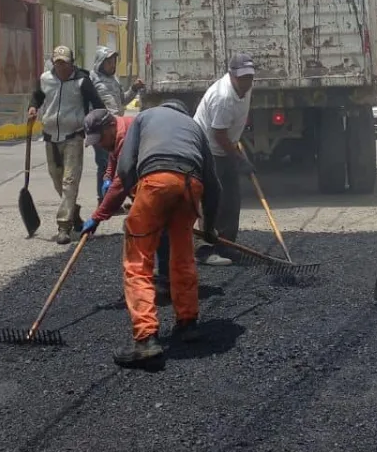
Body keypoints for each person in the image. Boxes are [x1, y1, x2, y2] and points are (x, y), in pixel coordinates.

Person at [84, 101, 220, 369]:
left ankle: (146, 338)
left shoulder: (143, 118)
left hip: (156, 182)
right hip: (191, 185)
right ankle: (188, 323)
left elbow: (125, 169)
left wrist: (111, 209)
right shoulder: (194, 126)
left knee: (138, 261)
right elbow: (214, 184)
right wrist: (209, 229)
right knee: (183, 257)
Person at [87, 107, 173, 302]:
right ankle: (161, 274)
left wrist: (97, 216)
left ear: (109, 126)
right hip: (149, 177)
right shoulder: (116, 130)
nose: (99, 144)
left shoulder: (125, 134)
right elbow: (113, 157)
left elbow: (122, 181)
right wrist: (108, 176)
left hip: (161, 175)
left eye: (100, 138)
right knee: (155, 225)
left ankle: (164, 279)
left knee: (155, 226)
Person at [28, 46, 100, 245]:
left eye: (64, 63)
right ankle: (73, 212)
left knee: (70, 181)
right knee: (56, 178)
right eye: (57, 62)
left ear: (71, 63)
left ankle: (63, 226)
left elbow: (97, 103)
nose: (60, 66)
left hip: (73, 136)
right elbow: (37, 97)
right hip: (51, 136)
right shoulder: (45, 79)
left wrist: (95, 128)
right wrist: (33, 108)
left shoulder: (82, 81)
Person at [193, 52, 256, 262]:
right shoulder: (223, 98)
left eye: (250, 77)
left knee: (231, 197)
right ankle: (206, 249)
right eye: (242, 77)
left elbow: (233, 123)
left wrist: (236, 144)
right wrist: (238, 157)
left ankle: (226, 244)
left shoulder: (245, 88)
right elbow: (218, 135)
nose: (247, 82)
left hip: (224, 144)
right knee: (211, 199)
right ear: (231, 75)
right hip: (207, 148)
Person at [89, 47, 144, 195]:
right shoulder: (92, 79)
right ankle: (103, 198)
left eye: (114, 62)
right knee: (104, 164)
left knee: (118, 164)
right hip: (101, 130)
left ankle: (114, 197)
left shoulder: (114, 80)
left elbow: (123, 100)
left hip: (116, 129)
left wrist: (134, 89)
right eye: (109, 62)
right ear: (100, 62)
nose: (112, 65)